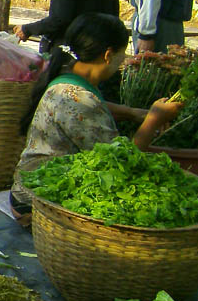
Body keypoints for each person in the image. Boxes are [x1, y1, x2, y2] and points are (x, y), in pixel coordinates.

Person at [10, 13, 184, 217]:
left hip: (27, 192)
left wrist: (131, 113)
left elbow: (90, 107)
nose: (123, 59)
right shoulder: (78, 99)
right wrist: (153, 120)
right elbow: (119, 166)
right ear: (108, 54)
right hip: (37, 205)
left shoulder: (68, 76)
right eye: (122, 53)